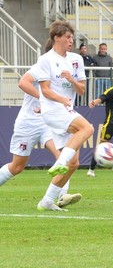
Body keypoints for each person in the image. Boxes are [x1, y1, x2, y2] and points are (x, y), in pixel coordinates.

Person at [0, 65, 82, 210]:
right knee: (17, 166)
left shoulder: (64, 72)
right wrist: (45, 98)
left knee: (64, 158)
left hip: (49, 123)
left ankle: (60, 196)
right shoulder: (42, 66)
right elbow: (22, 83)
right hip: (29, 122)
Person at [36, 20, 94, 211]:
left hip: (66, 108)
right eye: (68, 37)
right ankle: (59, 161)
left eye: (72, 37)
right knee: (87, 128)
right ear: (56, 38)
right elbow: (44, 90)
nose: (71, 41)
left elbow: (82, 90)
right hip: (52, 108)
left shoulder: (77, 59)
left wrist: (71, 79)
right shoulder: (45, 59)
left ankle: (46, 201)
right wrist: (61, 99)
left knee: (74, 163)